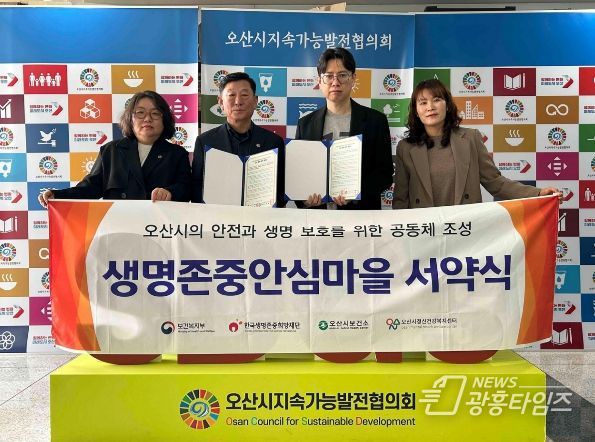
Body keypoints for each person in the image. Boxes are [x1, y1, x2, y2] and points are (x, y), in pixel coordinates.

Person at [393, 79, 559, 209]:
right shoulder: (406, 148)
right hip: (425, 230)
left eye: (436, 100)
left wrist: (538, 193)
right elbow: (401, 199)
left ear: (447, 105)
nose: (430, 107)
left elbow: (495, 182)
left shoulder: (471, 138)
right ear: (416, 110)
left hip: (466, 227)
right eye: (423, 102)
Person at [38, 90, 191, 207]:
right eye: (140, 113)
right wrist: (57, 196)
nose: (147, 118)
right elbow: (90, 188)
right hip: (118, 228)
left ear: (165, 119)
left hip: (157, 229)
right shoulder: (111, 151)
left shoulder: (177, 154)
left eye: (155, 113)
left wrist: (170, 192)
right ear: (130, 119)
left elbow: (186, 189)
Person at [295, 47, 393, 209]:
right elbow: (298, 172)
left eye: (342, 75)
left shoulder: (375, 121)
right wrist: (304, 200)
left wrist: (356, 193)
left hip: (360, 216)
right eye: (328, 76)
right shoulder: (305, 124)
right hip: (318, 218)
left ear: (353, 79)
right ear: (319, 81)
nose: (335, 82)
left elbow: (385, 173)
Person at [191, 72, 285, 206]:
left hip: (261, 216)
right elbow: (196, 188)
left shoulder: (273, 142)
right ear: (220, 102)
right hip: (217, 216)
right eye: (231, 95)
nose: (238, 102)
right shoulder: (205, 141)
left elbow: (281, 189)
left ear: (255, 101)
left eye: (244, 95)